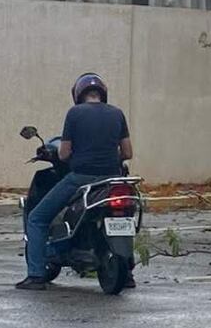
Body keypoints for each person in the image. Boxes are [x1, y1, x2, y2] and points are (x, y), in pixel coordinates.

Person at [16, 73, 134, 291]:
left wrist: (79, 157)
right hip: (112, 180)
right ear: (102, 93)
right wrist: (108, 158)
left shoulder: (75, 113)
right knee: (125, 215)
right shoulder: (117, 114)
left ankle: (35, 275)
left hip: (80, 179)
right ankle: (127, 274)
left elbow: (63, 154)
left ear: (78, 94)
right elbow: (127, 152)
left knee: (37, 218)